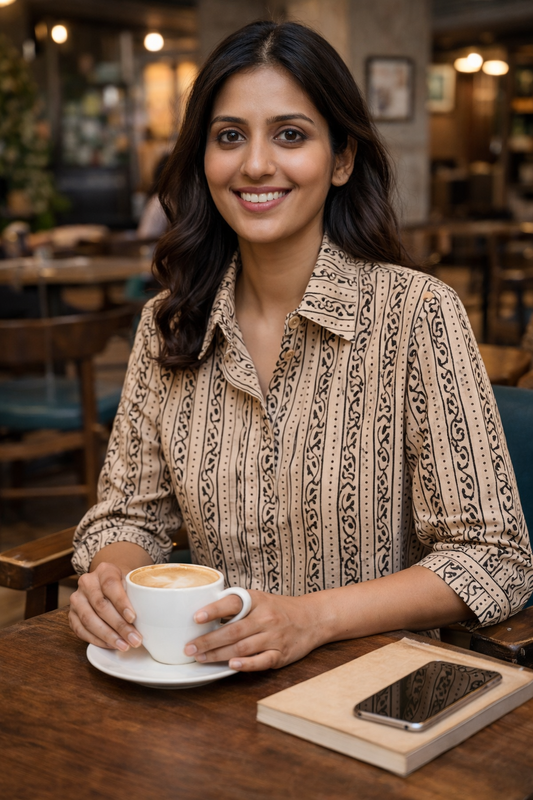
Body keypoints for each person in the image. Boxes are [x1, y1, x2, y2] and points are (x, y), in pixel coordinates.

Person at [69, 21, 533, 672]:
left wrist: (309, 620)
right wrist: (111, 581)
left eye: (290, 134)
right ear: (203, 157)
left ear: (340, 158)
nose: (256, 164)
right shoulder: (169, 324)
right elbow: (128, 517)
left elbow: (494, 557)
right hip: (201, 682)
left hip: (368, 691)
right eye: (229, 136)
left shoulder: (416, 315)